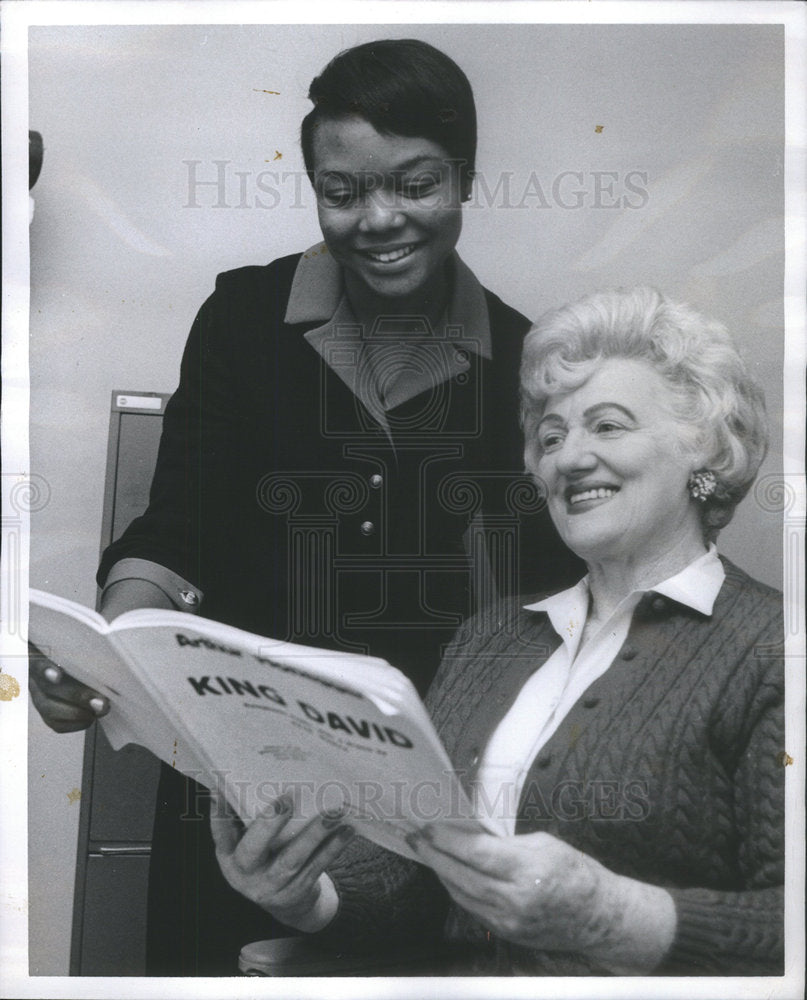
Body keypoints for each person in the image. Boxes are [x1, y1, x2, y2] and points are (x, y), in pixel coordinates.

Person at [28, 39, 579, 973]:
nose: (378, 219)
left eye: (414, 184)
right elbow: (181, 523)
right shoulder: (241, 319)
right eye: (342, 191)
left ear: (465, 178)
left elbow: (551, 623)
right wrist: (110, 656)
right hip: (235, 806)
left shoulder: (531, 369)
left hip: (422, 832)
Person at [211, 286, 784, 976]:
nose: (566, 460)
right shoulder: (490, 638)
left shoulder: (773, 650)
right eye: (550, 436)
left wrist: (609, 914)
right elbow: (416, 886)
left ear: (706, 449)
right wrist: (306, 895)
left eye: (605, 426)